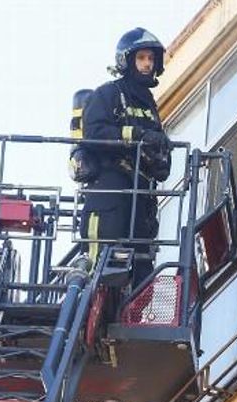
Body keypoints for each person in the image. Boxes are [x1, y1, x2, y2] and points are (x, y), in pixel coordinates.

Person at [80, 27, 171, 287]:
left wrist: (161, 158)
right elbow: (94, 133)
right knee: (104, 267)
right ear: (127, 60)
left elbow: (157, 148)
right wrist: (137, 135)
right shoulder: (109, 94)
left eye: (151, 59)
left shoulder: (149, 105)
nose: (147, 64)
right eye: (141, 58)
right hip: (112, 189)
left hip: (141, 198)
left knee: (142, 270)